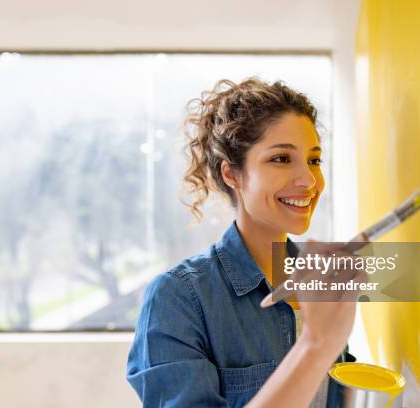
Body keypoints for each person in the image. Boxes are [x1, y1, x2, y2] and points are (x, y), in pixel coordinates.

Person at [127, 78, 364, 407]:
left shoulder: (321, 280)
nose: (309, 181)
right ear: (232, 175)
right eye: (281, 159)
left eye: (314, 160)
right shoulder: (178, 298)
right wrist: (315, 345)